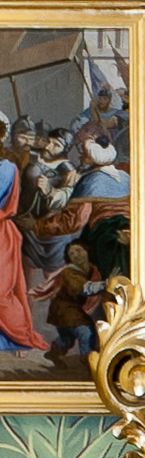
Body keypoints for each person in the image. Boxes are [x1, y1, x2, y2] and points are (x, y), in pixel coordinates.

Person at [0, 118, 47, 356]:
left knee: (4, 290)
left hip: (5, 232)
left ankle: (18, 335)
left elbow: (14, 203)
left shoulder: (10, 168)